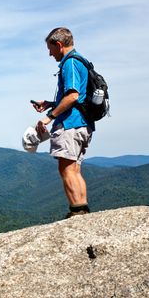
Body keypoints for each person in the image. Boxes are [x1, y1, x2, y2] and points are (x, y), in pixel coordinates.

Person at [33, 27, 94, 218]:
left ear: (59, 45)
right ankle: (82, 209)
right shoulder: (80, 62)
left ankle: (77, 212)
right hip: (82, 123)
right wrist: (51, 103)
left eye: (50, 49)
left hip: (71, 124)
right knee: (74, 168)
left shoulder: (71, 63)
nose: (50, 54)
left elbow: (73, 96)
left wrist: (49, 116)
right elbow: (77, 96)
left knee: (66, 168)